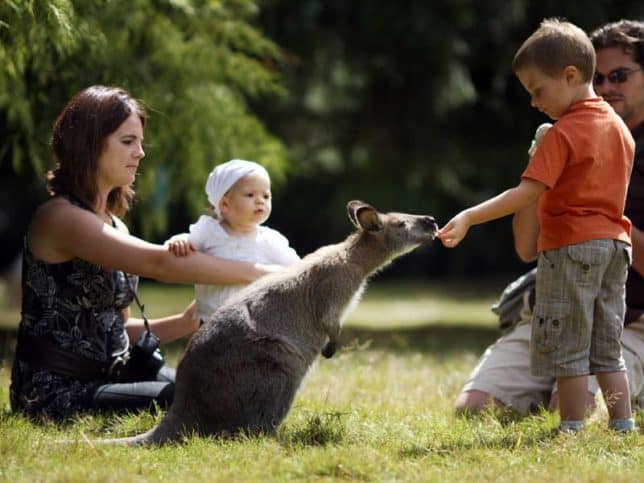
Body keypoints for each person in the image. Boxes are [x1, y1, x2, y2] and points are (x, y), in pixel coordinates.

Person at [9, 85, 282, 421]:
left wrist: (187, 322)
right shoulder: (61, 217)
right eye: (127, 142)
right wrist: (264, 273)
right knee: (205, 397)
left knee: (213, 385)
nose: (140, 153)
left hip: (114, 376)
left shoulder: (115, 224)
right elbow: (160, 263)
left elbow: (118, 329)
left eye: (140, 142)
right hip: (55, 392)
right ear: (89, 143)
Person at [439, 19, 636, 432]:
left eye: (537, 90)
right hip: (616, 248)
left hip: (573, 248)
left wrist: (471, 215)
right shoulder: (619, 129)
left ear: (568, 76)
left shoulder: (563, 134)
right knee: (605, 348)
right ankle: (623, 425)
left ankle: (571, 428)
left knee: (570, 347)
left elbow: (526, 193)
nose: (533, 102)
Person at [165, 159, 300, 321]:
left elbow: (297, 269)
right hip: (211, 321)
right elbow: (184, 244)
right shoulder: (209, 231)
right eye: (250, 195)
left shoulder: (270, 240)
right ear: (225, 204)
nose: (260, 200)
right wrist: (180, 241)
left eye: (266, 195)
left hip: (257, 323)